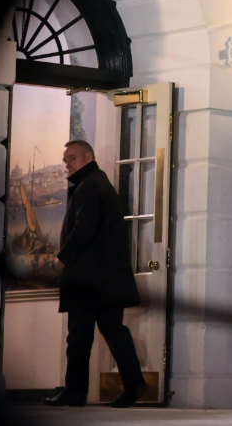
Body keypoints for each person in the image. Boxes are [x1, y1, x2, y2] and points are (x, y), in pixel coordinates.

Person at [43, 140, 145, 409]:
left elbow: (83, 229)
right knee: (113, 331)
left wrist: (63, 259)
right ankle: (134, 384)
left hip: (89, 280)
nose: (67, 163)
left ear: (89, 157)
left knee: (79, 336)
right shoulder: (98, 183)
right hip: (105, 278)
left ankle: (75, 392)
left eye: (72, 158)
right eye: (65, 159)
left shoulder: (89, 186)